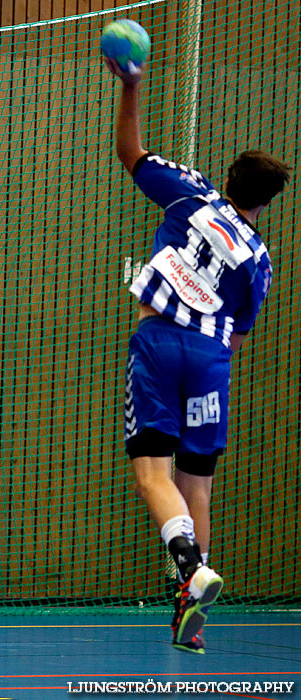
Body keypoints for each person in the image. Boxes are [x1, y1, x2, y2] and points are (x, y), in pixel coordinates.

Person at [104, 55, 290, 654]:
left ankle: (188, 567)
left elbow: (130, 151)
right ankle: (194, 621)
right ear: (267, 202)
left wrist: (131, 86)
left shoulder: (192, 195)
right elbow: (238, 334)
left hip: (160, 342)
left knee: (153, 474)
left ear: (229, 178)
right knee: (197, 484)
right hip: (212, 358)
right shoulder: (259, 260)